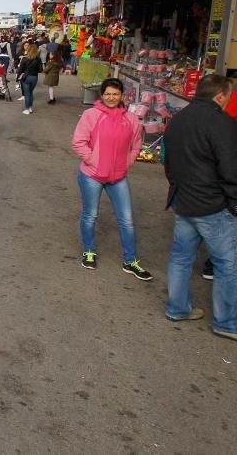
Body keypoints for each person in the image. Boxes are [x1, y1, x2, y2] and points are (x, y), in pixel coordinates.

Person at [162, 74, 237, 339]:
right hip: (213, 206)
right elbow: (231, 169)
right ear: (219, 96)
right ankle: (227, 322)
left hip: (184, 201)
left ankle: (177, 308)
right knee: (228, 264)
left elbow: (167, 160)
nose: (229, 100)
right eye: (228, 95)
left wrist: (178, 188)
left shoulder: (179, 118)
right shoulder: (222, 123)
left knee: (181, 258)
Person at [71, 78, 150, 280]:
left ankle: (130, 260)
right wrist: (94, 161)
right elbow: (79, 142)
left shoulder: (131, 119)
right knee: (91, 215)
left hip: (118, 176)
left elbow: (136, 145)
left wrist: (126, 163)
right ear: (102, 95)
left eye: (115, 94)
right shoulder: (91, 115)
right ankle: (89, 251)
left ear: (122, 95)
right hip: (92, 175)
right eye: (108, 94)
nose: (111, 97)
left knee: (127, 220)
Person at [17, 44, 43, 114]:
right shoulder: (38, 59)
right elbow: (40, 70)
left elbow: (20, 70)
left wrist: (18, 78)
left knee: (27, 93)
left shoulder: (24, 59)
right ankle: (30, 107)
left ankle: (27, 109)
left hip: (26, 77)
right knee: (30, 92)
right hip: (34, 77)